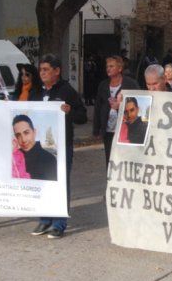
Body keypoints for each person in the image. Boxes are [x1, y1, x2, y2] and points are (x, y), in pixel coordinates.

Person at [29, 54, 87, 239]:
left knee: (60, 183)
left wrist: (70, 111)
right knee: (42, 181)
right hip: (39, 146)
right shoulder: (36, 92)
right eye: (41, 70)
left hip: (61, 147)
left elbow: (82, 116)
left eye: (46, 69)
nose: (42, 73)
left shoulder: (67, 91)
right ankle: (45, 219)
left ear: (57, 71)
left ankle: (59, 223)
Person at [94, 56, 139, 163]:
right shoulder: (103, 85)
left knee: (125, 160)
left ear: (120, 68)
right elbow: (98, 107)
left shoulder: (131, 84)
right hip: (108, 130)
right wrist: (96, 129)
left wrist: (121, 107)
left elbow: (139, 101)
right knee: (110, 160)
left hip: (126, 129)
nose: (108, 69)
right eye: (107, 67)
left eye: (111, 66)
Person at [12, 115, 58, 180]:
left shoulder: (49, 159)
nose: (23, 140)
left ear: (34, 132)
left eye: (26, 133)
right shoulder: (13, 159)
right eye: (18, 135)